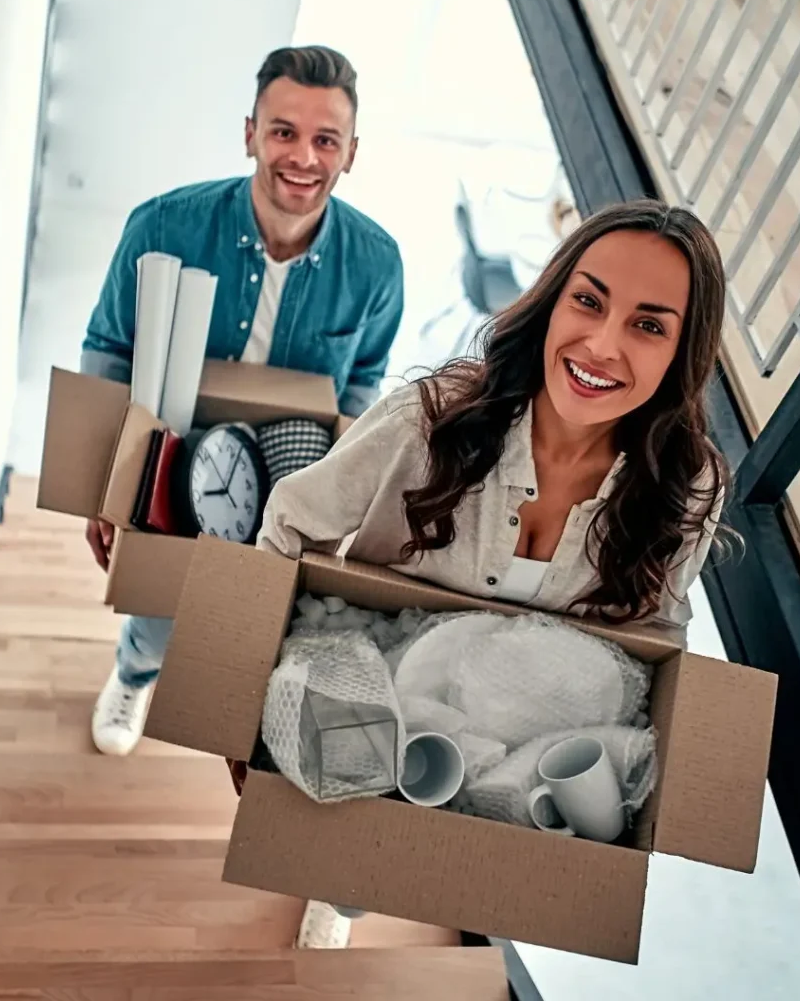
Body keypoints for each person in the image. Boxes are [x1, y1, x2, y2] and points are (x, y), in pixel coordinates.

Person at [254, 199, 731, 947]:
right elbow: (288, 527)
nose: (602, 344)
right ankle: (342, 888)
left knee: (470, 877)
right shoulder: (427, 421)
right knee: (351, 851)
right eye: (589, 300)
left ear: (682, 352)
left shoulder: (686, 488)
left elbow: (657, 640)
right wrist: (241, 698)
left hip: (527, 747)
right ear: (551, 300)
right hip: (380, 704)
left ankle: (386, 894)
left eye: (648, 324)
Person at [81, 45, 404, 757]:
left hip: (288, 470)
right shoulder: (162, 227)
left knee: (250, 616)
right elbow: (107, 349)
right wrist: (104, 486)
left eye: (327, 140)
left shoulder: (377, 265)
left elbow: (362, 383)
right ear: (250, 132)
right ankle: (135, 675)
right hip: (171, 444)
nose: (303, 157)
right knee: (160, 605)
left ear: (351, 154)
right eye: (284, 131)